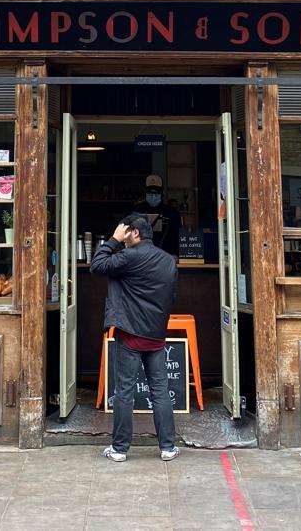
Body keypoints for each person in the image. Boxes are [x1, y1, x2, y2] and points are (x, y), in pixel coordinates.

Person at [91, 213, 180, 462]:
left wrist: (113, 239)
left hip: (130, 334)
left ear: (135, 233)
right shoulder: (168, 260)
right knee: (160, 390)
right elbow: (172, 295)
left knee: (124, 392)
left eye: (125, 232)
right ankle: (167, 447)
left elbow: (96, 265)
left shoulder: (128, 257)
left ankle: (119, 449)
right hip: (156, 335)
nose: (123, 236)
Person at [131, 174, 183, 257]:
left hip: (165, 257)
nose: (153, 195)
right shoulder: (135, 210)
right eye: (150, 192)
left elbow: (178, 237)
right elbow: (124, 233)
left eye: (156, 192)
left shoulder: (172, 212)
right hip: (139, 257)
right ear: (145, 192)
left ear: (162, 193)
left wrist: (175, 255)